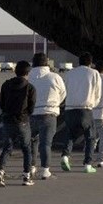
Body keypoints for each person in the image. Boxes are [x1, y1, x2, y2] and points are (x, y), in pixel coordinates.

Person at [0, 60, 37, 187]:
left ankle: (0, 172)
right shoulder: (30, 87)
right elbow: (31, 107)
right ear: (28, 73)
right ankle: (26, 176)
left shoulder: (6, 85)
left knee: (7, 148)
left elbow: (1, 104)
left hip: (7, 119)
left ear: (15, 71)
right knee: (26, 149)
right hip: (22, 121)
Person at [59, 52, 102, 173]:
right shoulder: (94, 73)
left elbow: (65, 89)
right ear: (90, 62)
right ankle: (87, 164)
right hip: (85, 109)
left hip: (70, 108)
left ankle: (65, 156)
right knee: (90, 137)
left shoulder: (69, 73)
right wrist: (93, 104)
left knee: (70, 135)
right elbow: (98, 92)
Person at [28, 52, 66, 180]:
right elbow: (63, 93)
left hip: (32, 114)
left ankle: (32, 166)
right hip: (49, 115)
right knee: (46, 144)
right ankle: (45, 170)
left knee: (32, 142)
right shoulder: (54, 77)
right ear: (46, 63)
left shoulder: (29, 77)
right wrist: (54, 104)